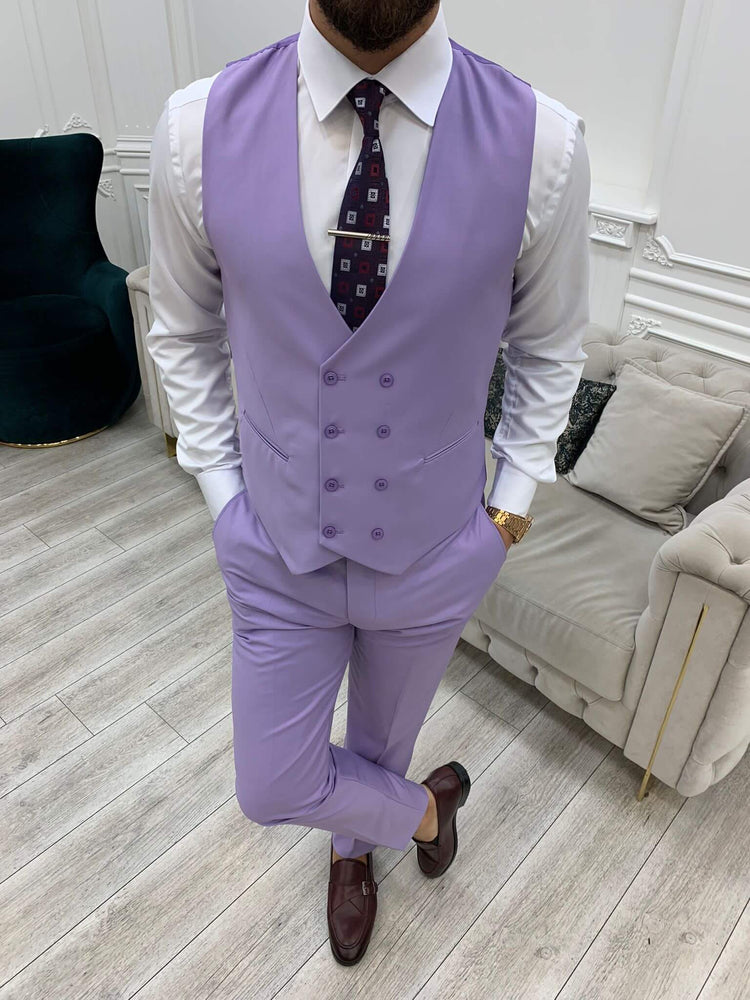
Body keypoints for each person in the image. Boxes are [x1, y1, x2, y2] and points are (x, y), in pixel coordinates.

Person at [146, 0, 591, 965]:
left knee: (384, 741)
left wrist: (507, 515)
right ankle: (425, 815)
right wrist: (223, 498)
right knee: (271, 783)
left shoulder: (544, 142)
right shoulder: (196, 127)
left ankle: (356, 849)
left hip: (436, 549)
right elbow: (181, 332)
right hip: (275, 546)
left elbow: (550, 350)